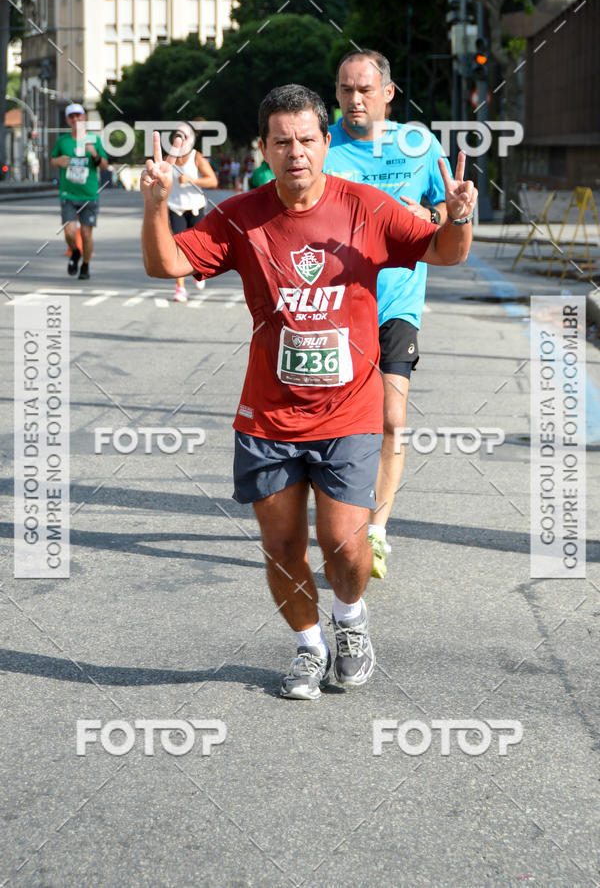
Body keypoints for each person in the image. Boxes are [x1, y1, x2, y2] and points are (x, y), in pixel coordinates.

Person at [141, 84, 476, 701]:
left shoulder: (367, 207)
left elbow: (445, 254)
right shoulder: (241, 216)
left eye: (306, 139)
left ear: (326, 143)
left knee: (344, 547)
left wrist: (457, 214)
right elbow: (168, 267)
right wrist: (157, 205)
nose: (295, 152)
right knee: (282, 544)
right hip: (268, 415)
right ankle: (307, 645)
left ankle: (349, 621)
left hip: (348, 409)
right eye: (281, 141)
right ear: (263, 148)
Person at [325, 49, 449, 579]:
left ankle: (376, 531)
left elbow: (446, 209)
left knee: (392, 421)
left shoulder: (418, 145)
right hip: (335, 304)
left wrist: (434, 213)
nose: (355, 100)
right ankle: (339, 519)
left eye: (365, 90)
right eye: (346, 90)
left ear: (388, 93)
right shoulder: (321, 144)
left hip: (397, 300)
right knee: (335, 425)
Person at [50, 102, 108, 280]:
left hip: (89, 194)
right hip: (68, 193)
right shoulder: (63, 141)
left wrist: (94, 154)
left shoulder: (94, 140)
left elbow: (105, 165)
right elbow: (53, 160)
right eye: (72, 116)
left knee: (85, 233)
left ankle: (86, 265)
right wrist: (58, 161)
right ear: (68, 120)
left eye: (79, 115)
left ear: (84, 117)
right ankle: (75, 252)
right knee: (68, 231)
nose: (76, 119)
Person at [166, 122, 218, 302]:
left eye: (185, 136)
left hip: (195, 207)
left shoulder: (197, 157)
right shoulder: (169, 158)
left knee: (198, 246)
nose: (180, 139)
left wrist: (191, 179)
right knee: (177, 247)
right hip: (175, 208)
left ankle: (199, 271)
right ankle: (180, 288)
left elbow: (212, 181)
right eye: (177, 135)